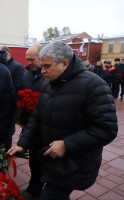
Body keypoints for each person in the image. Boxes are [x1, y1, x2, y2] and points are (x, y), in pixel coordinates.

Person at [8, 41, 117, 200]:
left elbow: (107, 129)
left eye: (47, 66)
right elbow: (37, 118)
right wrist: (22, 144)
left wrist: (67, 144)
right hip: (52, 159)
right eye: (42, 66)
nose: (42, 71)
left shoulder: (94, 85)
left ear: (65, 64)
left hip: (75, 162)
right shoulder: (49, 84)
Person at [20, 43, 45, 199]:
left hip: (46, 125)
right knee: (34, 159)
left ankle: (42, 188)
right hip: (30, 123)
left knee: (45, 159)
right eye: (27, 59)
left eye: (32, 59)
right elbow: (21, 95)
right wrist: (22, 118)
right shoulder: (27, 74)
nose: (29, 62)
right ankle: (34, 188)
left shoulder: (49, 74)